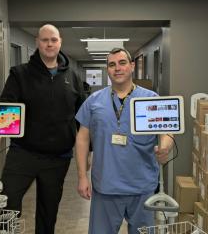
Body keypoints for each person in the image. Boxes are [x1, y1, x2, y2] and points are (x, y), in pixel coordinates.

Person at [0, 24, 85, 234]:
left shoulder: (73, 77)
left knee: (48, 212)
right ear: (37, 42)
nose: (49, 44)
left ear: (60, 42)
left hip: (57, 158)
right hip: (23, 154)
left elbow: (83, 116)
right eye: (45, 40)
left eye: (53, 40)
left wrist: (86, 152)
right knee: (8, 204)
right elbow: (6, 104)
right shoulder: (20, 74)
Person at [75, 48, 174, 234]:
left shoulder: (150, 99)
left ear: (132, 66)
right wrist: (81, 176)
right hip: (106, 185)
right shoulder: (94, 101)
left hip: (142, 186)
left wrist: (165, 147)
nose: (117, 68)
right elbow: (82, 137)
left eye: (122, 63)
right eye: (112, 65)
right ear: (107, 70)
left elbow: (167, 131)